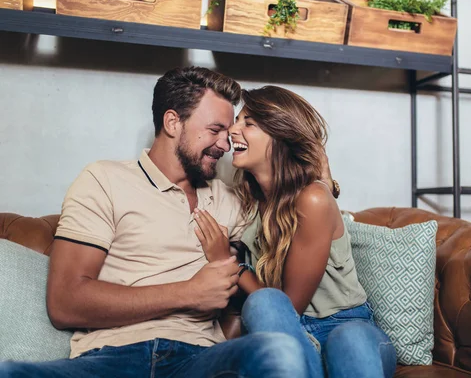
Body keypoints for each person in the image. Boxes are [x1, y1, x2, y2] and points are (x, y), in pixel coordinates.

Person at [0, 68, 308, 378]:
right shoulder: (104, 180)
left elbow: (292, 219)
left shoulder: (231, 199)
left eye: (227, 133)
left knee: (278, 351)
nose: (225, 145)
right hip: (113, 358)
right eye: (215, 129)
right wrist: (187, 293)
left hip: (200, 359)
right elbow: (64, 302)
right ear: (173, 122)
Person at [194, 86, 397, 378]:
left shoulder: (312, 199)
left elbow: (291, 306)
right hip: (287, 340)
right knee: (263, 302)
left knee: (345, 338)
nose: (232, 131)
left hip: (345, 327)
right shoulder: (248, 202)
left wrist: (231, 264)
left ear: (280, 136)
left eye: (248, 124)